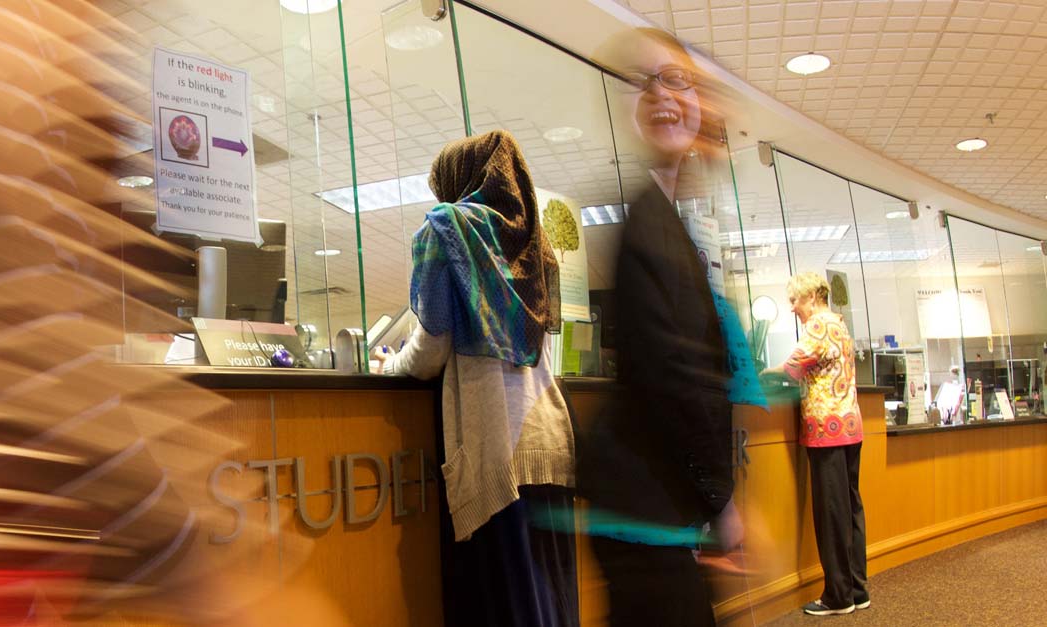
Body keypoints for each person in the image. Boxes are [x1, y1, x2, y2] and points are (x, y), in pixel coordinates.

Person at [372, 129, 578, 627]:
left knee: (504, 605)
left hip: (495, 451)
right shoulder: (537, 244)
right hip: (547, 439)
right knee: (552, 600)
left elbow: (428, 352)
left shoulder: (445, 230)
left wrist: (387, 366)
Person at [576, 28, 742, 627]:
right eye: (645, 81)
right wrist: (722, 501)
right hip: (639, 504)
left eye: (678, 80)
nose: (662, 94)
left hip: (651, 502)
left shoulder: (667, 217)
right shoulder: (647, 225)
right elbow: (672, 375)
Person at [766, 272, 868, 616]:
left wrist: (757, 374)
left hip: (826, 430)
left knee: (831, 512)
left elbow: (790, 369)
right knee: (850, 507)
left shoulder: (818, 326)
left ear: (811, 296)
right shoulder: (839, 324)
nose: (793, 308)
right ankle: (856, 589)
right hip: (850, 425)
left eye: (795, 300)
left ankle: (837, 597)